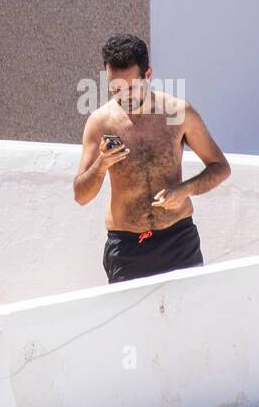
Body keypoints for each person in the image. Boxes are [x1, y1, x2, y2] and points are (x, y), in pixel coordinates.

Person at [73, 34, 230, 283]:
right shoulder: (100, 122)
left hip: (178, 240)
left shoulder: (179, 113)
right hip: (127, 247)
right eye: (115, 89)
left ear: (148, 75)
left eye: (131, 88)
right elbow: (81, 195)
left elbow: (220, 167)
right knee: (131, 322)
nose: (123, 97)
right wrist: (101, 164)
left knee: (190, 318)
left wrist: (184, 190)